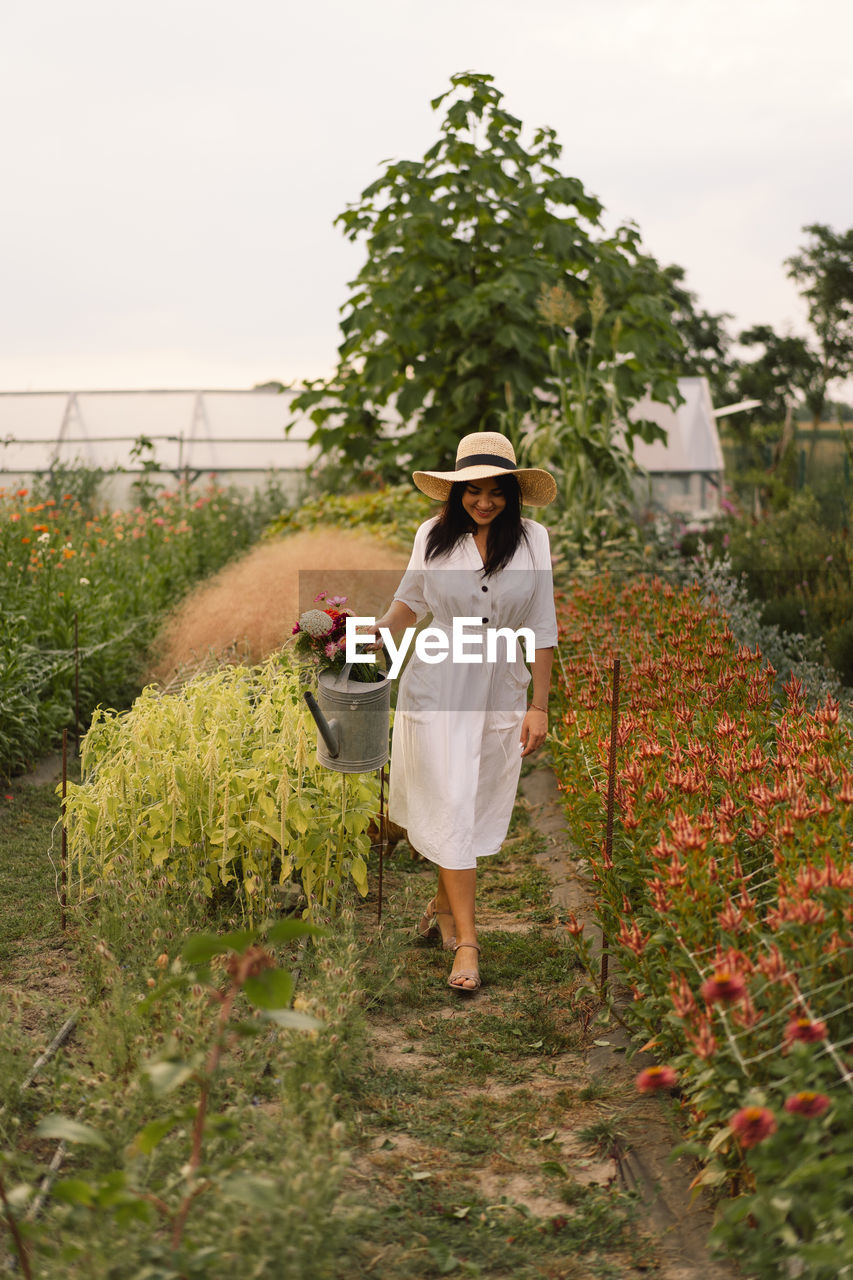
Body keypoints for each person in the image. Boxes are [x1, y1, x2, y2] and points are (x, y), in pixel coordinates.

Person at [368, 431, 558, 993]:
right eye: (472, 491)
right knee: (449, 797)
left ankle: (442, 909)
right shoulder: (433, 535)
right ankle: (469, 944)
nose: (484, 501)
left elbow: (542, 625)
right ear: (455, 493)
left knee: (470, 807)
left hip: (501, 684)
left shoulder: (533, 541)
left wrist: (540, 706)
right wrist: (352, 638)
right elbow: (408, 605)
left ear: (511, 493)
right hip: (438, 680)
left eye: (495, 491)